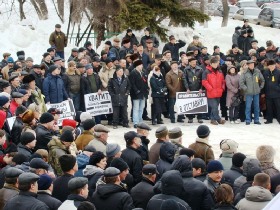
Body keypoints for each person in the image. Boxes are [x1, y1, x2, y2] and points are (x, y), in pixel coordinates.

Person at [239, 60, 264, 125]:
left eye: (253, 64)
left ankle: (256, 120)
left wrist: (260, 87)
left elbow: (262, 80)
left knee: (256, 106)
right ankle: (248, 120)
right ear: (248, 65)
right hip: (248, 93)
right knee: (248, 106)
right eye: (250, 64)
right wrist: (246, 89)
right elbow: (241, 82)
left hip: (256, 92)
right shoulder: (244, 73)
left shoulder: (257, 71)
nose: (252, 65)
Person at [202, 57, 226, 125]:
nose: (216, 65)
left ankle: (213, 119)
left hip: (218, 92)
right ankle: (218, 119)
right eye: (215, 63)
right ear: (211, 64)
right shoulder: (206, 71)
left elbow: (223, 81)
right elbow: (204, 82)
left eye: (217, 63)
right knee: (214, 106)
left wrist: (222, 88)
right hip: (211, 92)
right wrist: (210, 88)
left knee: (216, 107)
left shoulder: (220, 71)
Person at [129, 60, 149, 128]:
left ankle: (140, 120)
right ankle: (136, 122)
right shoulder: (133, 73)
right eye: (140, 65)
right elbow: (132, 83)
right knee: (136, 108)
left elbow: (145, 82)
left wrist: (147, 90)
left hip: (143, 93)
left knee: (141, 107)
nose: (142, 66)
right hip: (136, 94)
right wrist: (136, 90)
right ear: (137, 65)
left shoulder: (143, 72)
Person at [184, 57, 204, 123]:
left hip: (198, 88)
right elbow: (185, 79)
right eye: (192, 63)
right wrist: (187, 88)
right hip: (190, 88)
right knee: (190, 103)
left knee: (199, 103)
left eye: (195, 62)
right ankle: (190, 117)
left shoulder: (200, 69)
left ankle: (199, 117)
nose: (194, 64)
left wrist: (201, 88)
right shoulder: (186, 69)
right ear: (189, 63)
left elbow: (202, 80)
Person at [263, 59, 280, 124]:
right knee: (269, 107)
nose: (272, 66)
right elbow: (263, 83)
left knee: (278, 107)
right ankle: (269, 119)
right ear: (268, 66)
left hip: (277, 94)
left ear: (275, 65)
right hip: (268, 93)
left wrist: (278, 88)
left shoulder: (278, 72)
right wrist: (263, 92)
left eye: (273, 65)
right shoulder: (265, 72)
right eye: (270, 65)